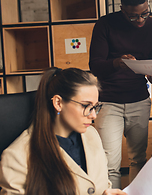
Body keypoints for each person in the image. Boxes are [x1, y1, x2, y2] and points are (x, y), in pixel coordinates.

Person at [0, 67, 126, 195]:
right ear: (58, 103)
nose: (93, 115)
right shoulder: (16, 156)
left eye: (95, 107)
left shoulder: (91, 135)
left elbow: (102, 183)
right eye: (85, 106)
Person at [89, 0, 152, 188]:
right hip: (108, 102)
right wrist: (116, 62)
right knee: (110, 164)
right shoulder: (105, 24)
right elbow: (95, 66)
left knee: (138, 159)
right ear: (122, 8)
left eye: (144, 14)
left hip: (139, 99)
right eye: (133, 16)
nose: (140, 20)